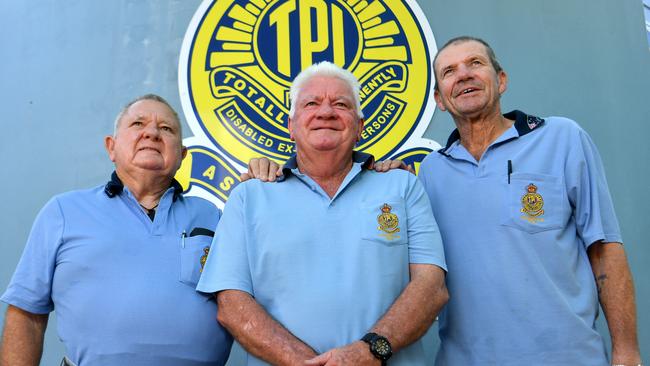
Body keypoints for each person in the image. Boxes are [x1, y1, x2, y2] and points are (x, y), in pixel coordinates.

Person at [196, 61, 449, 366]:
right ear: (291, 126)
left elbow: (431, 288)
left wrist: (368, 352)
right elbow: (231, 304)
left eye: (340, 104)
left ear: (360, 126)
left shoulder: (402, 186)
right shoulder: (249, 197)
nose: (326, 112)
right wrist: (305, 363)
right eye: (311, 103)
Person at [0, 94, 280, 366]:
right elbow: (27, 315)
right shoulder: (63, 212)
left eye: (166, 129)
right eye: (138, 124)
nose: (153, 134)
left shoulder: (215, 216)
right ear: (111, 146)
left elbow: (271, 284)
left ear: (182, 155)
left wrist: (262, 192)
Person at [417, 36, 642, 365]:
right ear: (439, 98)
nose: (463, 74)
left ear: (501, 79)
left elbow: (605, 249)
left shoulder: (562, 138)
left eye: (475, 63)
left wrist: (627, 351)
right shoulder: (431, 172)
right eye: (449, 71)